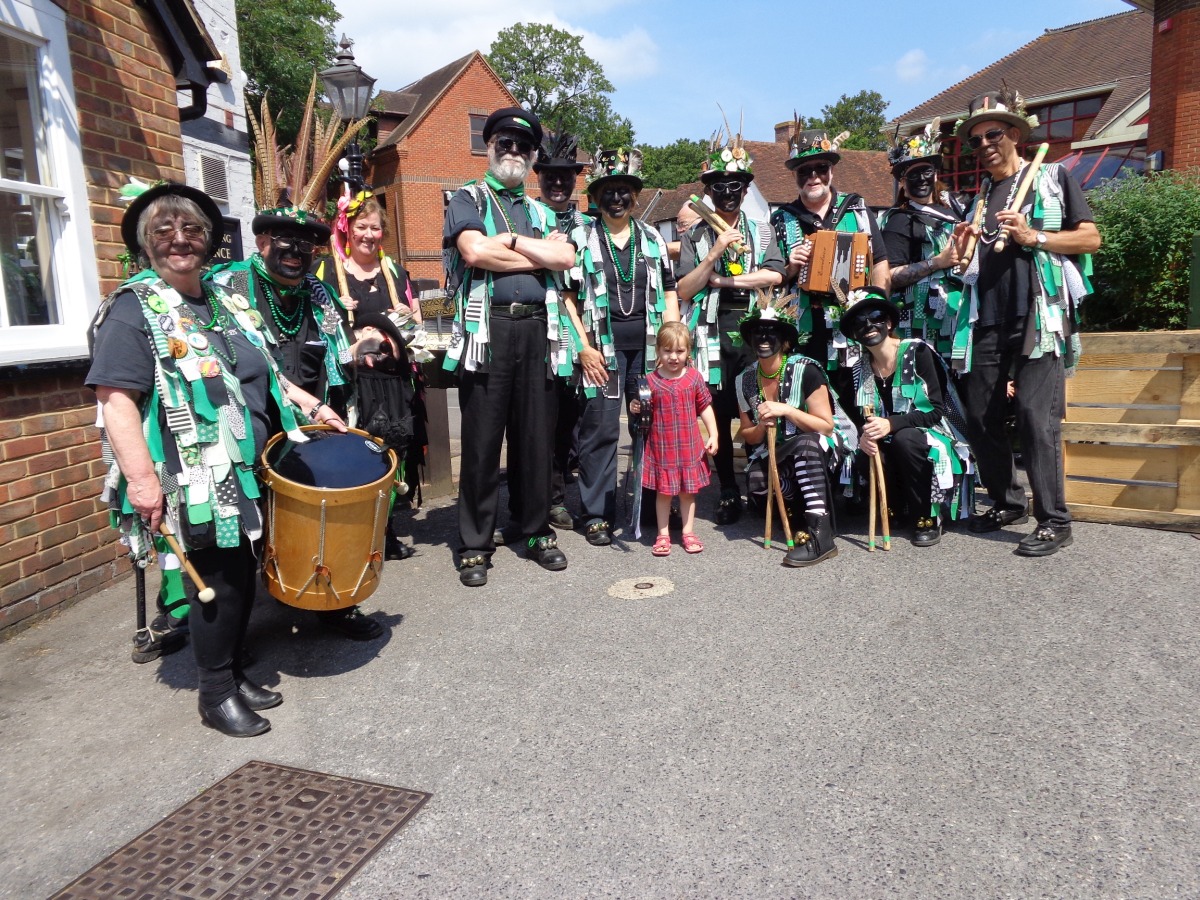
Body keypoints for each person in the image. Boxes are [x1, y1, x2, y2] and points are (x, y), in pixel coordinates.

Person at [88, 182, 347, 737]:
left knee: (239, 572)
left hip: (243, 468)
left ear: (209, 240)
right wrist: (141, 480)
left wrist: (314, 405)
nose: (179, 239)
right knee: (216, 580)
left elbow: (267, 371)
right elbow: (115, 399)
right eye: (164, 231)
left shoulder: (222, 300)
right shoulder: (133, 309)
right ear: (145, 243)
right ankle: (215, 693)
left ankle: (231, 671)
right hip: (193, 473)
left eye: (191, 229)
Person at [210, 95, 383, 640]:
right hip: (244, 425)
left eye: (308, 243)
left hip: (310, 425)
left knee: (322, 508)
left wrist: (364, 347)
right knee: (242, 529)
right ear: (263, 240)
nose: (297, 250)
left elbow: (335, 355)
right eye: (286, 240)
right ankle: (231, 632)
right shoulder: (227, 287)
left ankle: (331, 603)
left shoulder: (318, 291)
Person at [950, 88, 1100, 557]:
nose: (985, 145)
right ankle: (1007, 502)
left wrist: (1034, 235)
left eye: (993, 134)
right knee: (981, 416)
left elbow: (1090, 239)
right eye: (976, 140)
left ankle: (1054, 519)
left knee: (1037, 419)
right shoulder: (980, 198)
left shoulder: (1052, 178)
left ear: (1015, 134)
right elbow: (968, 267)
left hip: (1040, 314)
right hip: (987, 319)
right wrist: (960, 253)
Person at [442, 106, 577, 587]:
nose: (514, 151)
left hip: (538, 329)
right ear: (490, 146)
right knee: (481, 442)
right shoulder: (467, 197)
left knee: (536, 439)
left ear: (533, 155)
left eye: (523, 146)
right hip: (489, 331)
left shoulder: (541, 211)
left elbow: (566, 256)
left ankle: (535, 530)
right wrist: (538, 258)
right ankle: (475, 544)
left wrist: (513, 243)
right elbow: (474, 250)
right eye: (506, 143)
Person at [560, 146, 681, 546]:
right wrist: (582, 346)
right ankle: (597, 514)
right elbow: (567, 298)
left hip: (647, 352)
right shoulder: (581, 237)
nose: (616, 198)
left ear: (635, 195)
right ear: (596, 196)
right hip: (600, 352)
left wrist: (671, 343)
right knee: (600, 430)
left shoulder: (652, 238)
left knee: (651, 426)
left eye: (624, 190)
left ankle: (650, 507)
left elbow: (669, 290)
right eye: (608, 191)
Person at [675, 131, 785, 524]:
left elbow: (775, 274)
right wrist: (715, 254)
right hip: (711, 331)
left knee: (759, 404)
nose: (727, 194)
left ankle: (762, 481)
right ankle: (726, 488)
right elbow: (685, 288)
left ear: (745, 189)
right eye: (719, 187)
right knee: (718, 410)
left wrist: (725, 280)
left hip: (755, 328)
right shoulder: (696, 235)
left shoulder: (762, 230)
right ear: (708, 192)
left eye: (735, 186)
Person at [316, 191, 429, 561]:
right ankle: (355, 536)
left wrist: (408, 318)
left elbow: (417, 325)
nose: (368, 234)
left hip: (393, 382)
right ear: (347, 229)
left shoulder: (394, 271)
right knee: (356, 457)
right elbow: (316, 328)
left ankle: (386, 531)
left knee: (393, 456)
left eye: (375, 228)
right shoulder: (326, 271)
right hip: (352, 386)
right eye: (361, 226)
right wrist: (336, 313)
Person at [841, 288, 975, 546]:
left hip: (931, 431)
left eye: (876, 317)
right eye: (858, 322)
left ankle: (927, 516)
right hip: (888, 435)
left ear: (889, 323)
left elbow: (935, 410)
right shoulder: (858, 368)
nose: (868, 325)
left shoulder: (917, 352)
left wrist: (891, 424)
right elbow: (859, 417)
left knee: (906, 439)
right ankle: (895, 508)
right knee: (867, 451)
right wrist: (863, 437)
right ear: (854, 334)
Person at [735, 301, 854, 567]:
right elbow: (748, 435)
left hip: (820, 450)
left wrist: (786, 410)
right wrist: (761, 426)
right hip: (778, 452)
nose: (763, 338)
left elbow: (825, 426)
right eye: (757, 332)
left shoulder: (806, 369)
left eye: (772, 332)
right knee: (756, 480)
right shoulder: (744, 379)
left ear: (786, 341)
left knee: (805, 444)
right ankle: (798, 507)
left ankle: (821, 536)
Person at [771, 125, 891, 372]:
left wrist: (878, 310)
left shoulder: (857, 210)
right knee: (807, 389)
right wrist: (790, 268)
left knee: (854, 388)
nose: (813, 176)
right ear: (794, 176)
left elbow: (880, 262)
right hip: (803, 327)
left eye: (821, 168)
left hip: (853, 322)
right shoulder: (781, 219)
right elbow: (770, 280)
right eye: (804, 171)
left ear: (832, 170)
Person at [880, 123, 969, 362]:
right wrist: (936, 263)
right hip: (920, 324)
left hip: (959, 315)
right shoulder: (899, 220)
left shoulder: (955, 213)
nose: (921, 179)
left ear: (936, 174)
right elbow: (888, 276)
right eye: (913, 175)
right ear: (902, 181)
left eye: (926, 171)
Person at [629, 322, 717, 556]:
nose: (674, 357)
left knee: (688, 493)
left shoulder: (695, 378)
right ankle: (663, 534)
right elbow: (640, 407)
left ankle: (688, 532)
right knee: (664, 493)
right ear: (658, 350)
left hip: (689, 447)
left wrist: (714, 434)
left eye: (680, 351)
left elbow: (705, 407)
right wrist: (634, 406)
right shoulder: (650, 381)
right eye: (667, 351)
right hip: (662, 448)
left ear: (688, 351)